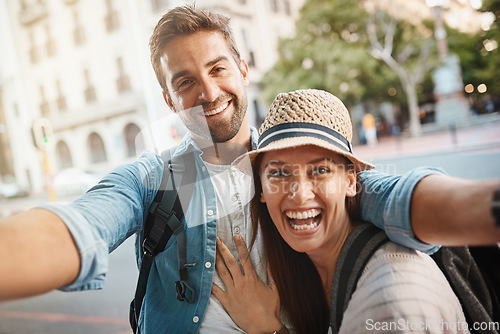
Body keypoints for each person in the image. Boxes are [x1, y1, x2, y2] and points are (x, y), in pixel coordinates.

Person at [0, 5, 499, 333]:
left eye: (217, 69)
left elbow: (390, 195)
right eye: (186, 81)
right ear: (168, 98)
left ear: (242, 68)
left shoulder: (291, 169)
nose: (209, 93)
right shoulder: (156, 180)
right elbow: (84, 223)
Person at [212, 89, 480, 333]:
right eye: (279, 173)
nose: (300, 194)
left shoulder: (388, 301)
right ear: (261, 189)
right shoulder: (304, 269)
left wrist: (268, 329)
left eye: (320, 170)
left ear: (351, 181)